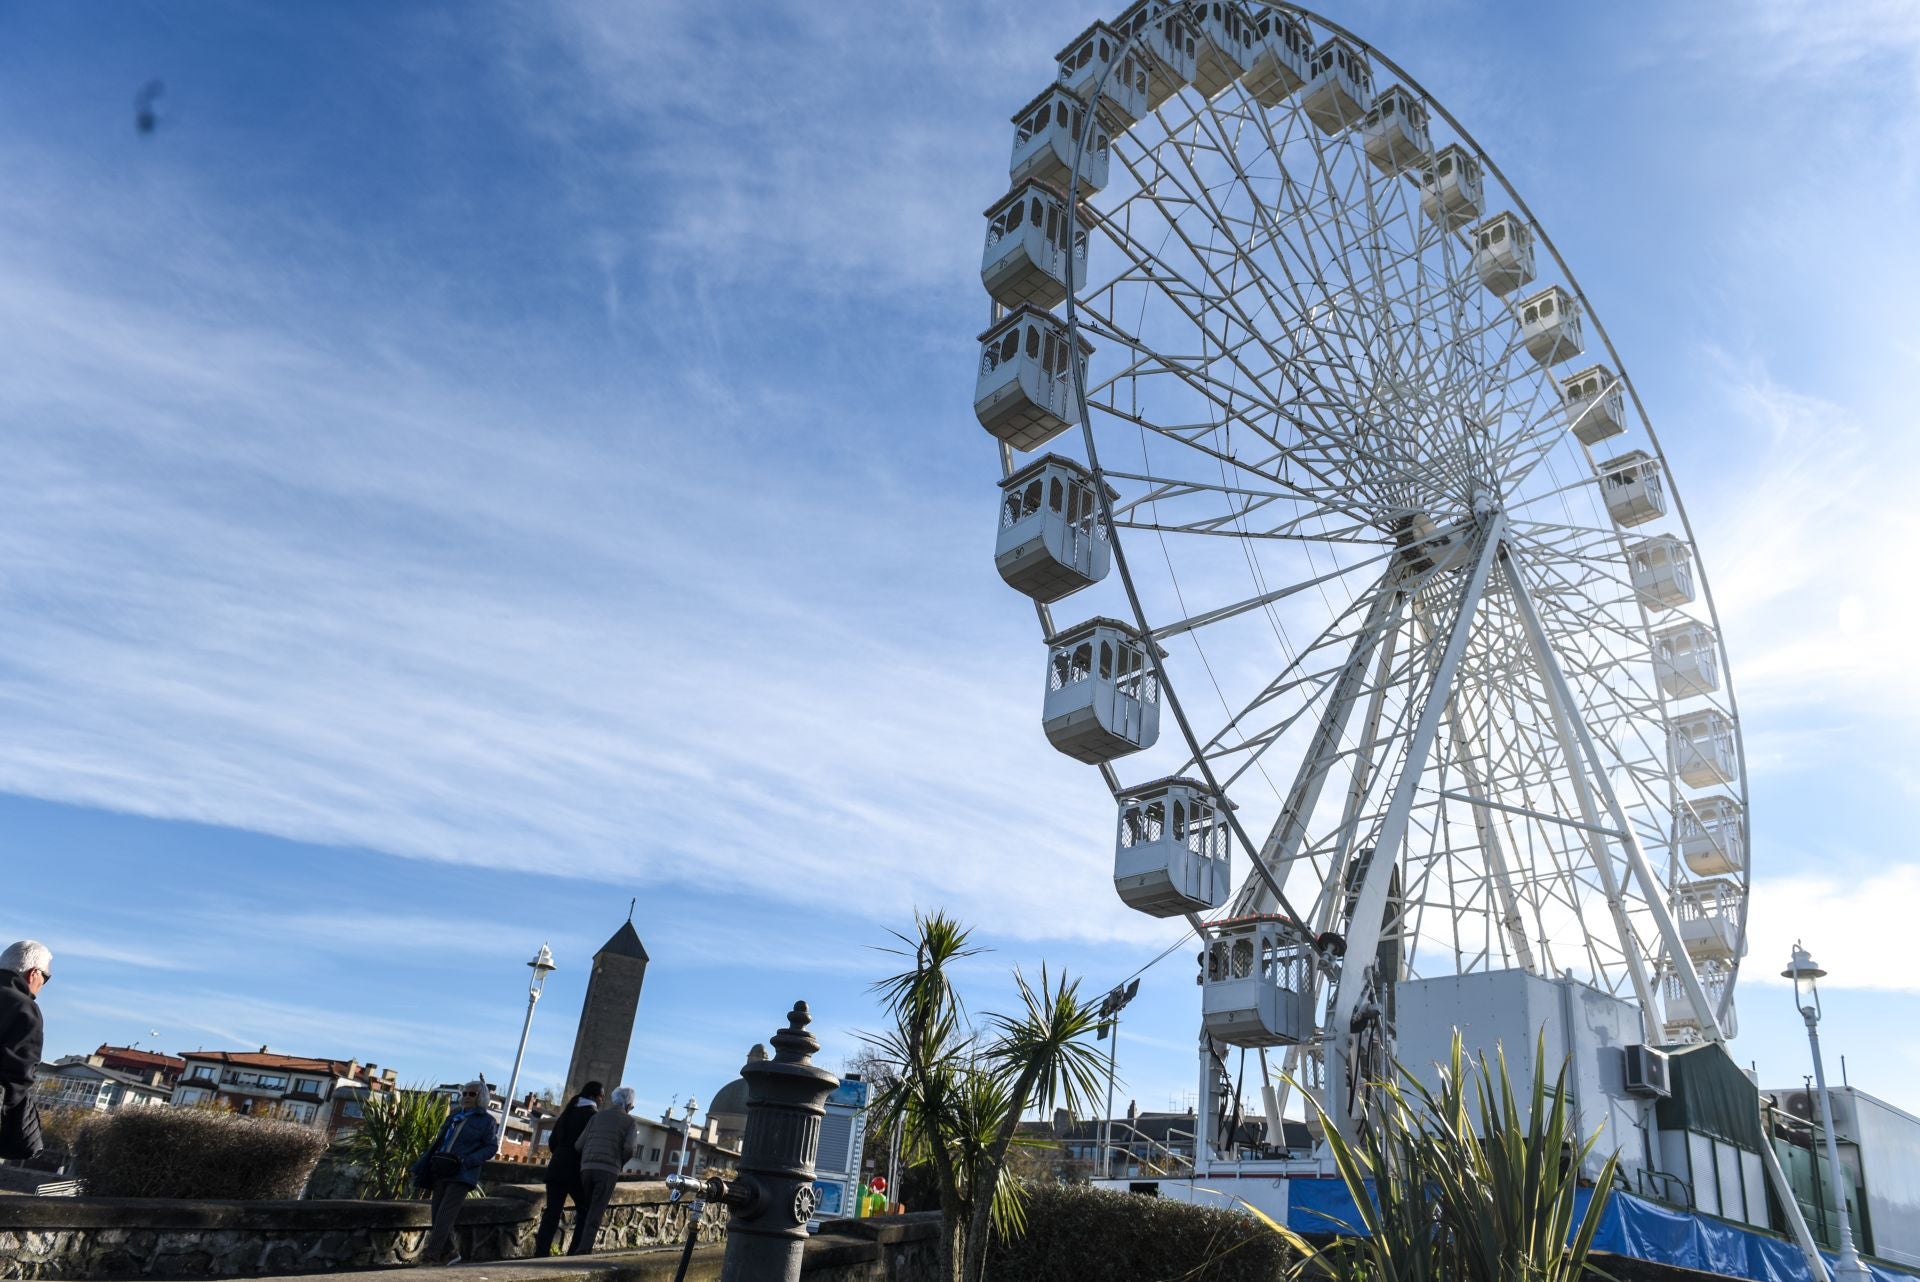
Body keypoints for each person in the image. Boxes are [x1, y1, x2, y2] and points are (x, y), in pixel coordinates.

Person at [410, 1081, 499, 1266]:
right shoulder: (454, 1116)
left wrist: (468, 1161)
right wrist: (423, 1164)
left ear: (481, 1097)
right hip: (442, 1168)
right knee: (437, 1214)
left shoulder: (487, 1121)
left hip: (463, 1173)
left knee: (445, 1213)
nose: (466, 1097)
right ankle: (450, 1252)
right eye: (465, 1093)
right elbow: (439, 1141)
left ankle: (431, 1256)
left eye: (472, 1094)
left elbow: (491, 1147)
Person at [532, 1080, 603, 1256]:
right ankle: (574, 1252)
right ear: (595, 1097)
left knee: (552, 1213)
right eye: (602, 1096)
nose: (602, 1100)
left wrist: (560, 1156)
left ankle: (541, 1253)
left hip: (556, 1167)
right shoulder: (593, 1116)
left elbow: (552, 1141)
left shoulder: (568, 1111)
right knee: (584, 1210)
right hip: (576, 1170)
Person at [567, 1085, 638, 1256]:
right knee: (596, 1211)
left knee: (584, 1209)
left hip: (586, 1169)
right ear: (629, 1105)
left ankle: (574, 1247)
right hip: (607, 1170)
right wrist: (619, 1162)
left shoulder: (597, 1117)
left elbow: (579, 1144)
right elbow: (630, 1148)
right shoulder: (629, 1122)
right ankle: (583, 1251)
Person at [0, 941, 52, 1163]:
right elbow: (18, 1073)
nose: (42, 984)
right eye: (46, 978)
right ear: (33, 973)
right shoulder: (24, 1008)